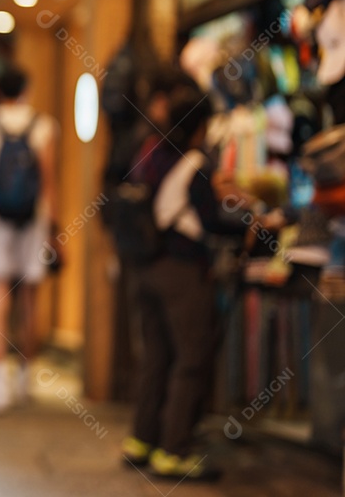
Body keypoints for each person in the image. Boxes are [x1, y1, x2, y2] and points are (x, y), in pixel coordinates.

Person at [121, 92, 261, 480]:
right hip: (180, 270)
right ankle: (174, 450)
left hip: (144, 267)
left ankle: (141, 441)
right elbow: (212, 220)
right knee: (191, 359)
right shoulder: (195, 162)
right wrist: (250, 221)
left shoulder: (149, 154)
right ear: (199, 126)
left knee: (156, 357)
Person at [0, 67, 58, 412]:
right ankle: (26, 376)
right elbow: (49, 181)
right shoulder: (44, 126)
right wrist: (55, 228)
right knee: (30, 296)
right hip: (34, 218)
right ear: (26, 90)